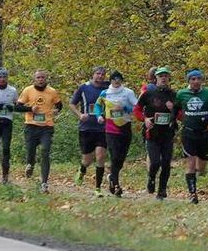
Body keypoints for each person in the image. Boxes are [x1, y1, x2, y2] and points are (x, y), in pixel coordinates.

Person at [176, 69, 208, 204]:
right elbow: (175, 109)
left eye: (198, 79)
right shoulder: (181, 94)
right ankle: (192, 193)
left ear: (202, 80)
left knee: (201, 167)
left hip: (204, 133)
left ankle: (196, 176)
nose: (196, 82)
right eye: (193, 79)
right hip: (188, 132)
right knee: (190, 163)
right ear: (189, 81)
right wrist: (173, 122)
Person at [16, 70, 62, 193]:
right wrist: (30, 108)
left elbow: (59, 105)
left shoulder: (52, 91)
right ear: (34, 79)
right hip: (31, 126)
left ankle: (44, 183)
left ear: (46, 79)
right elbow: (18, 107)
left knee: (45, 151)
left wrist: (57, 110)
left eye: (42, 77)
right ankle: (30, 164)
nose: (40, 79)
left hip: (47, 126)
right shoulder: (28, 90)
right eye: (38, 77)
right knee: (31, 151)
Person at [136, 66, 178, 199]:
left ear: (168, 78)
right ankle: (151, 178)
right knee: (155, 162)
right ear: (156, 78)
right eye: (161, 76)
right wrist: (145, 119)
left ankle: (162, 191)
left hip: (168, 133)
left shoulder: (173, 94)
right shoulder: (148, 93)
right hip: (152, 133)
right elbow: (136, 110)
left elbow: (181, 114)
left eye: (166, 76)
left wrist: (174, 110)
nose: (164, 78)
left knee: (166, 163)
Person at [94, 71, 139, 197]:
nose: (117, 81)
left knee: (121, 157)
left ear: (122, 80)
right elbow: (98, 106)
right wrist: (98, 116)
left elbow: (137, 108)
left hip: (125, 127)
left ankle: (112, 176)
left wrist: (125, 108)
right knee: (114, 155)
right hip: (111, 128)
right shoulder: (105, 93)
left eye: (119, 79)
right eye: (114, 79)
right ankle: (116, 183)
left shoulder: (128, 92)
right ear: (111, 80)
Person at [71, 66, 110, 195]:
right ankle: (82, 170)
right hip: (87, 127)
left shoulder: (109, 88)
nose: (100, 76)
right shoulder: (84, 87)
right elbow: (72, 104)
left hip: (102, 127)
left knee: (100, 156)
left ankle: (97, 188)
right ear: (93, 75)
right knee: (87, 160)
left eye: (103, 74)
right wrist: (80, 115)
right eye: (98, 73)